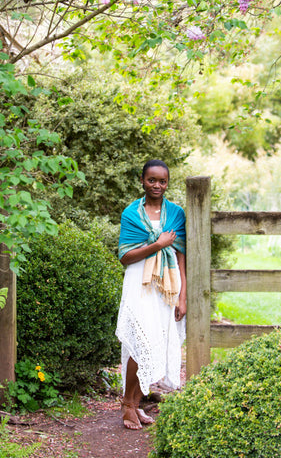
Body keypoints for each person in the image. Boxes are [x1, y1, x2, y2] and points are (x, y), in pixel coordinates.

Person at [115, 159, 186, 430]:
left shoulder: (177, 214)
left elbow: (181, 257)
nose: (157, 185)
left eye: (162, 181)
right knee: (139, 339)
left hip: (168, 284)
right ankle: (128, 405)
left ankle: (135, 402)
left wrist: (183, 297)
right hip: (139, 282)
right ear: (142, 181)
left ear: (168, 183)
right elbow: (125, 256)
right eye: (151, 180)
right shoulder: (131, 214)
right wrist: (157, 244)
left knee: (156, 340)